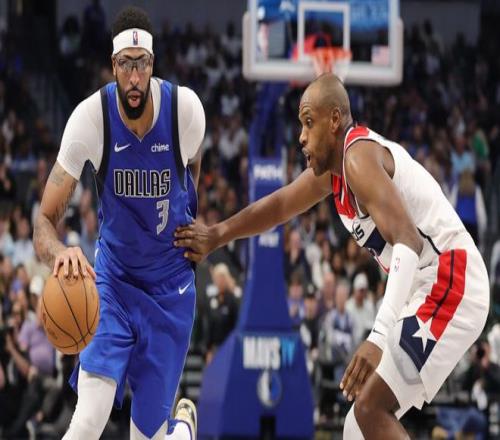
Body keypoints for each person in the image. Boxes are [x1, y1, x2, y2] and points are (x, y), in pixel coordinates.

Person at [174, 73, 489, 439]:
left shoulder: (358, 158)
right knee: (357, 426)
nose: (301, 136)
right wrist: (216, 235)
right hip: (429, 285)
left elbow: (407, 241)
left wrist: (378, 336)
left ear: (335, 120)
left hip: (451, 278)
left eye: (309, 122)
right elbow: (279, 206)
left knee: (370, 411)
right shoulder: (336, 174)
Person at [33, 6, 204, 440]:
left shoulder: (185, 111)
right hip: (113, 282)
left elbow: (192, 171)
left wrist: (188, 221)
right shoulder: (90, 119)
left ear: (153, 63)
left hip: (170, 291)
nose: (134, 77)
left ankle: (181, 429)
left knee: (145, 436)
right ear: (113, 65)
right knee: (88, 419)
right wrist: (60, 253)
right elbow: (45, 219)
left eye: (141, 64)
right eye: (126, 64)